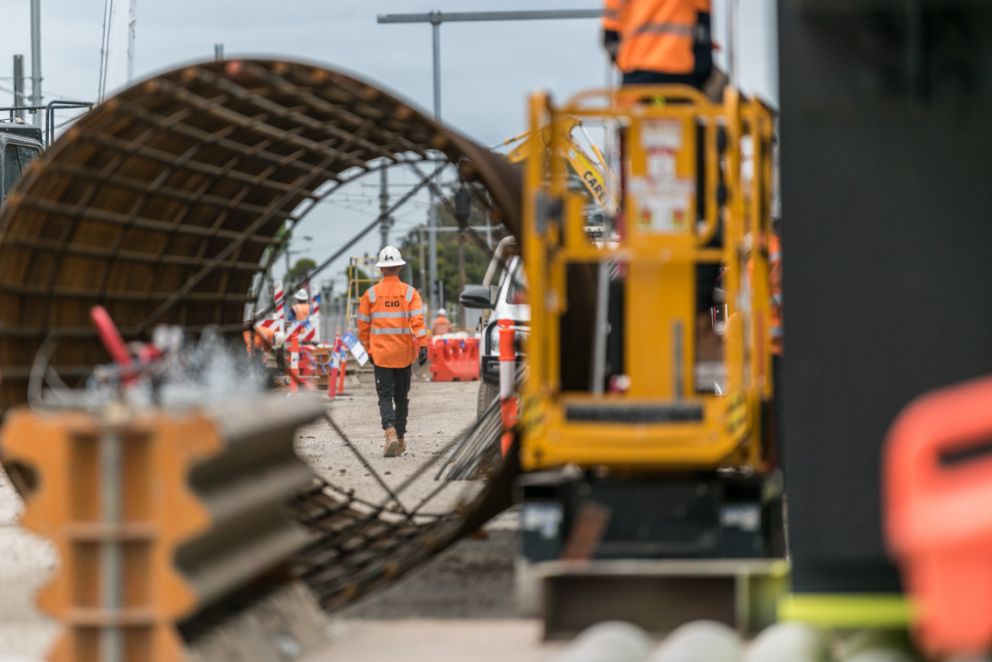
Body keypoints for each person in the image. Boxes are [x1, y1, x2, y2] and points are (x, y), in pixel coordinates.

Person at [357, 246, 429, 458]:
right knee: (402, 397)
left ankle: (390, 433)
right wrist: (423, 345)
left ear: (381, 269)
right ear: (399, 267)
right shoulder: (410, 293)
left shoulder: (370, 294)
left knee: (385, 396)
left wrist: (369, 349)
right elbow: (417, 322)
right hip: (403, 355)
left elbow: (363, 327)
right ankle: (401, 437)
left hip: (381, 355)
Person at [602, 0, 713, 90]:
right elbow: (703, 30)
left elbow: (610, 38)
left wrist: (627, 67)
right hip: (683, 77)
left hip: (635, 77)